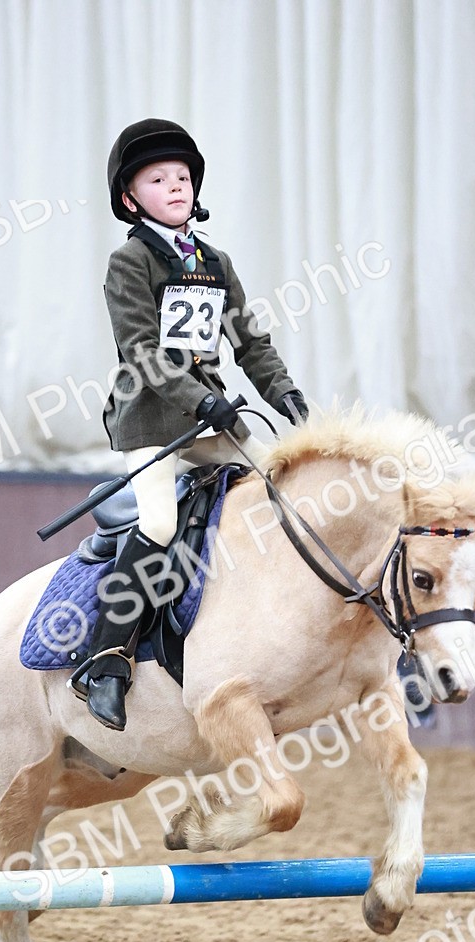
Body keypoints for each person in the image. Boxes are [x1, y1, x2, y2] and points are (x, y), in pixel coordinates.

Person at [81, 117, 308, 732]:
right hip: (152, 420)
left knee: (280, 489)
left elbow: (248, 340)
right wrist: (200, 401)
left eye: (182, 176)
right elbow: (141, 350)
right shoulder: (129, 263)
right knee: (157, 519)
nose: (175, 186)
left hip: (211, 414)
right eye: (158, 179)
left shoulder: (215, 261)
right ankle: (105, 660)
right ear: (131, 198)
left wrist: (284, 394)